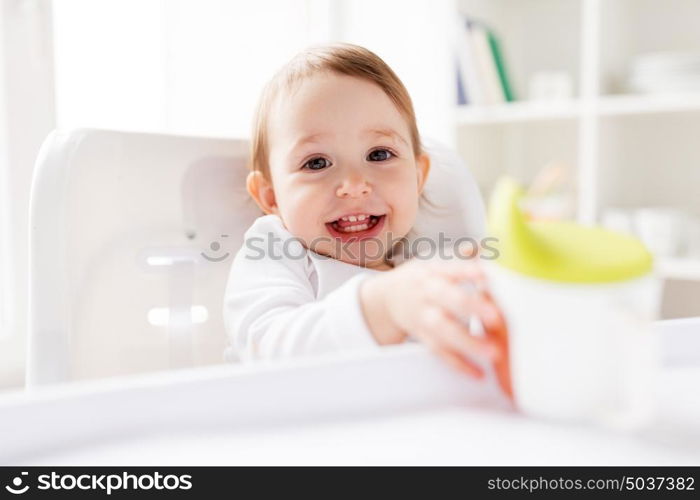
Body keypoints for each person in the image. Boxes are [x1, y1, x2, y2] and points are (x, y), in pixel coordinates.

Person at [223, 43, 511, 397]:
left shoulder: (423, 263)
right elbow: (265, 349)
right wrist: (382, 306)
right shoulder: (276, 251)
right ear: (270, 197)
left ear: (418, 177)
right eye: (316, 163)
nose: (354, 186)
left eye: (379, 154)